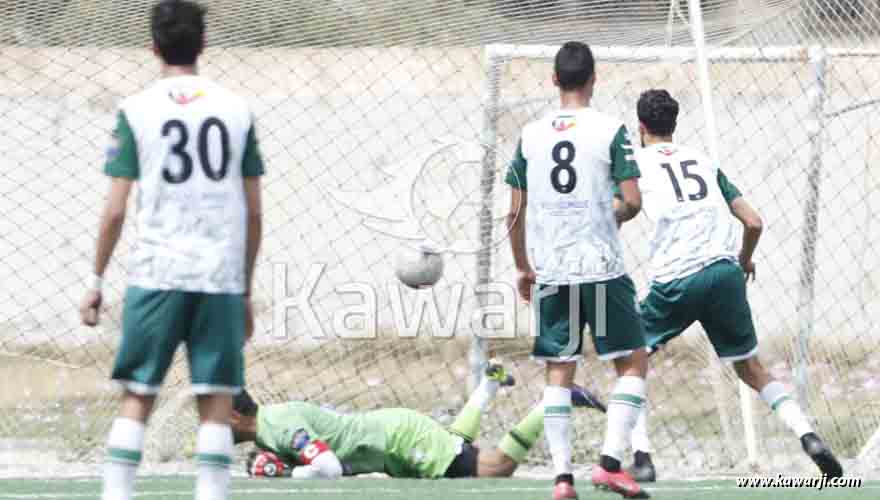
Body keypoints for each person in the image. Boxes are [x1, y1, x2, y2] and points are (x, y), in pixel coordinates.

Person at [78, 2, 265, 499]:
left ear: (153, 45)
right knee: (215, 401)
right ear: (203, 44)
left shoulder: (136, 110)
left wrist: (96, 281)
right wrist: (244, 288)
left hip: (155, 272)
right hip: (218, 276)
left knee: (138, 396)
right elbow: (253, 211)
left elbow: (116, 209)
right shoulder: (236, 110)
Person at [620, 89, 842, 482]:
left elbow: (622, 207)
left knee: (629, 359)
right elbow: (754, 221)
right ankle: (808, 436)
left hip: (677, 277)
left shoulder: (633, 164)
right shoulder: (704, 162)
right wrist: (743, 260)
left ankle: (642, 456)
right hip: (724, 274)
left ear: (640, 127)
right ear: (675, 124)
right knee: (752, 368)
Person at [505, 41, 650, 499]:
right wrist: (608, 213)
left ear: (553, 80)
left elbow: (514, 212)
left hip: (552, 268)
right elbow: (632, 201)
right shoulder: (611, 129)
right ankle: (608, 463)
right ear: (593, 79)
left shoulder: (529, 134)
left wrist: (524, 267)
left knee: (559, 371)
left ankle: (562, 479)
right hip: (601, 268)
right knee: (632, 362)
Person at [233, 363, 553, 479]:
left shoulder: (280, 426)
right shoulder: (268, 429)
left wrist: (288, 473)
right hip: (392, 443)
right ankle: (488, 386)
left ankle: (553, 402)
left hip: (399, 438)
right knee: (457, 450)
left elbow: (328, 467)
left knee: (496, 469)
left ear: (234, 415)